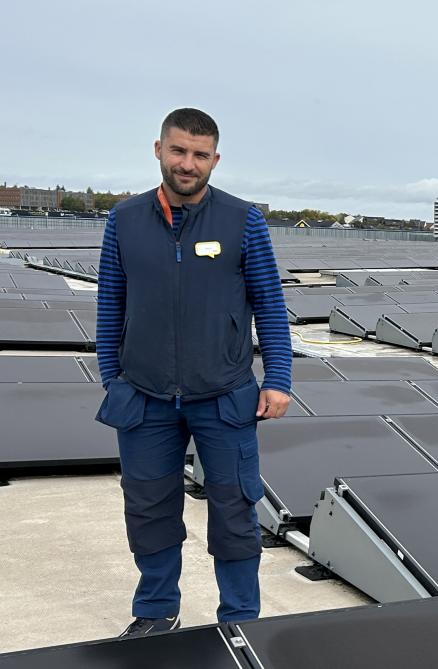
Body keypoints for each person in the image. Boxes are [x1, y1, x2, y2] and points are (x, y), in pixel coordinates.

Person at [94, 108, 292, 636]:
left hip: (224, 393)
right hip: (144, 396)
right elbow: (111, 302)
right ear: (158, 149)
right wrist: (112, 376)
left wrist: (278, 379)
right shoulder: (125, 219)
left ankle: (241, 621)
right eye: (179, 151)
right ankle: (157, 612)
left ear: (215, 160)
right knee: (150, 508)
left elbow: (269, 304)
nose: (188, 163)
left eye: (200, 155)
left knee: (234, 509)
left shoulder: (242, 219)